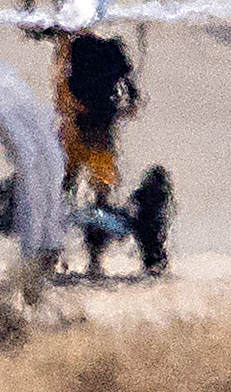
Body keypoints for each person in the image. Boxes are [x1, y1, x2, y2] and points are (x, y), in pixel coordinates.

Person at [55, 30, 139, 204]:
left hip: (87, 114)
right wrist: (131, 100)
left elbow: (64, 78)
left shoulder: (78, 46)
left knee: (75, 163)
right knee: (90, 161)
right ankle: (96, 199)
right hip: (96, 114)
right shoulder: (110, 49)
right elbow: (127, 80)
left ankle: (69, 196)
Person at [130, 165, 173, 275]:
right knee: (150, 245)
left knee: (151, 245)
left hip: (148, 222)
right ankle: (153, 266)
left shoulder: (159, 192)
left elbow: (133, 201)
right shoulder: (162, 192)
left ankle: (153, 266)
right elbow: (133, 201)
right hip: (147, 222)